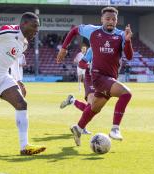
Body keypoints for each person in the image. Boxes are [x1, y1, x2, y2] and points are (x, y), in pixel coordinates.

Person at [57, 6, 133, 146]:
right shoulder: (93, 31)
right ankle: (115, 129)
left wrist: (128, 41)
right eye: (108, 19)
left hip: (111, 78)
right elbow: (74, 30)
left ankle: (78, 128)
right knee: (126, 93)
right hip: (98, 77)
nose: (110, 21)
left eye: (113, 19)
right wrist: (64, 48)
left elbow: (129, 56)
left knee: (94, 108)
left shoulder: (121, 35)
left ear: (117, 21)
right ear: (102, 19)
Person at [0, 12, 46, 155]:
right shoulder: (10, 30)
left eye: (38, 27)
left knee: (21, 104)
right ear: (24, 24)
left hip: (2, 76)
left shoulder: (24, 44)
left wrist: (18, 80)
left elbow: (15, 62)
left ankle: (25, 147)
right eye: (34, 26)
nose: (37, 30)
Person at [60, 47, 94, 135]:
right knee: (91, 106)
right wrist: (89, 66)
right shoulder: (92, 50)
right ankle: (81, 127)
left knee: (92, 107)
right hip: (90, 79)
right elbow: (80, 64)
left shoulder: (103, 49)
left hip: (97, 79)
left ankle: (72, 100)